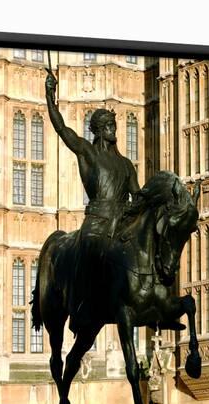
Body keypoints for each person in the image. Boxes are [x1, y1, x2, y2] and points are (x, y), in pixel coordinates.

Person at [45, 70, 140, 333]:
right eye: (109, 125)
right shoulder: (88, 153)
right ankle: (80, 305)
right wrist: (50, 98)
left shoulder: (126, 165)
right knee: (87, 251)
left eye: (114, 125)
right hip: (97, 222)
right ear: (99, 131)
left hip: (120, 224)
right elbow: (63, 130)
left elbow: (138, 197)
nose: (114, 129)